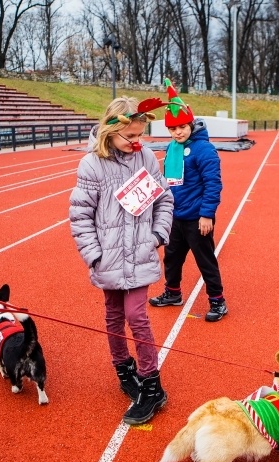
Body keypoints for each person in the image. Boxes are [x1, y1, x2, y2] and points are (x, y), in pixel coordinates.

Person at [69, 96, 173, 425]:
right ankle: (123, 368)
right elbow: (79, 215)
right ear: (110, 131)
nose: (137, 143)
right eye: (130, 136)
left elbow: (164, 199)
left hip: (140, 253)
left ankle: (152, 384)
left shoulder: (146, 157)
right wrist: (94, 254)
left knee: (136, 316)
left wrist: (157, 237)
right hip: (108, 258)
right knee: (113, 317)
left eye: (141, 135)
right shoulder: (91, 164)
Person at [149, 78, 227, 322]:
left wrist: (206, 214)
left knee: (205, 261)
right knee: (171, 258)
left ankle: (218, 301)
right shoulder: (172, 148)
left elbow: (213, 184)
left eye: (182, 126)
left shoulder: (205, 150)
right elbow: (166, 180)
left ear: (191, 124)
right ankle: (173, 293)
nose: (178, 132)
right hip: (175, 216)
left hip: (197, 217)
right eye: (173, 129)